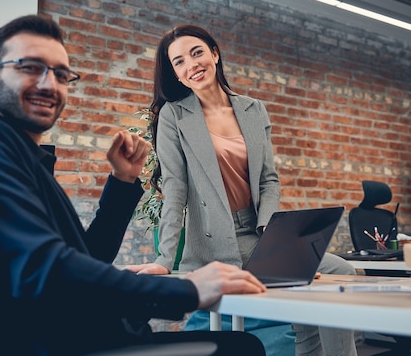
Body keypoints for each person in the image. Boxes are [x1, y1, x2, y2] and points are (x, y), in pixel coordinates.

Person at [0, 14, 268, 356]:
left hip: (85, 337)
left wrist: (123, 180)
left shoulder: (15, 154)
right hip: (68, 346)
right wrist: (187, 290)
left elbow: (85, 257)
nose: (49, 84)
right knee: (240, 348)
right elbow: (50, 269)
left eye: (61, 74)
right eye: (30, 67)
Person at [126, 24, 358, 356]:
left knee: (340, 273)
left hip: (259, 235)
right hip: (213, 244)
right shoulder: (174, 116)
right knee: (311, 285)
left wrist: (271, 234)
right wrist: (165, 259)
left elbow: (268, 180)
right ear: (175, 75)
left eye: (197, 53)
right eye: (178, 62)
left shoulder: (253, 109)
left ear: (214, 54)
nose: (191, 65)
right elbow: (175, 188)